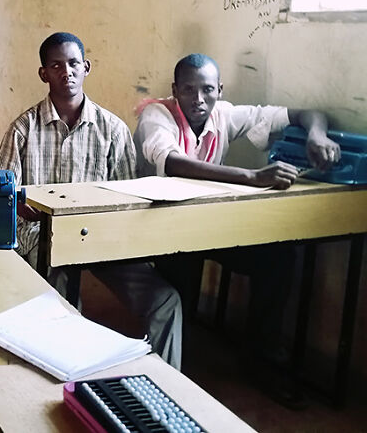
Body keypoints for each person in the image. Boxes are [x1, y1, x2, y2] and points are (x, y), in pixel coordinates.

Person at [132, 52, 340, 406]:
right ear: (174, 90)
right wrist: (253, 178)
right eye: (188, 90)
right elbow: (173, 162)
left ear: (220, 89)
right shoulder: (157, 115)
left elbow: (302, 113)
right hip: (160, 228)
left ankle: (259, 359)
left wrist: (316, 134)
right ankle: (169, 374)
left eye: (208, 90)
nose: (199, 100)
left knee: (277, 260)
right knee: (178, 284)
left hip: (209, 226)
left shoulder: (225, 114)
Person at [0, 32, 183, 369]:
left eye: (73, 63)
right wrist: (22, 207)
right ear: (43, 73)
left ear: (86, 67)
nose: (65, 71)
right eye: (55, 65)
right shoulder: (24, 129)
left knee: (165, 301)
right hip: (44, 241)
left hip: (100, 239)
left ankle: (165, 387)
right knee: (63, 305)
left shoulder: (113, 130)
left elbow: (127, 198)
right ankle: (68, 382)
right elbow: (4, 197)